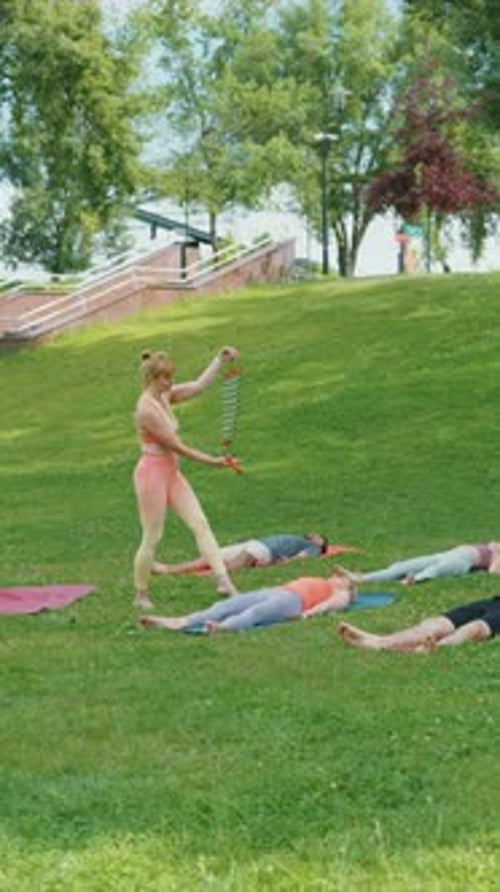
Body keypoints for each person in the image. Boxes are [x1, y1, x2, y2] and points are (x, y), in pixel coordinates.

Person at [133, 346, 241, 609]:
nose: (170, 383)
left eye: (171, 377)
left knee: (200, 523)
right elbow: (177, 447)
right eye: (165, 378)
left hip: (171, 472)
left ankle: (224, 581)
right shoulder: (146, 410)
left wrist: (219, 359)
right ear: (152, 379)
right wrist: (214, 461)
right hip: (151, 475)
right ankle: (141, 594)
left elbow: (198, 386)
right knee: (152, 536)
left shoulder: (164, 395)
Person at [139, 572, 356, 634]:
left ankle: (224, 627)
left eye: (342, 577)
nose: (336, 575)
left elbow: (327, 606)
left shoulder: (341, 593)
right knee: (225, 606)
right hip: (276, 591)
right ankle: (182, 621)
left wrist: (307, 615)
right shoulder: (323, 580)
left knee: (257, 612)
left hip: (294, 602)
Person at [338, 595, 500, 652]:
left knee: (474, 628)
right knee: (436, 624)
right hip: (494, 602)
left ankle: (433, 647)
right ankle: (379, 641)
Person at [152, 532, 329, 575]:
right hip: (255, 543)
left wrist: (279, 563)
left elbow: (302, 558)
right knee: (209, 558)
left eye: (317, 536)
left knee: (235, 563)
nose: (313, 534)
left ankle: (221, 579)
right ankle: (168, 569)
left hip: (265, 550)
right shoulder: (298, 538)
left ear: (320, 541)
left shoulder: (313, 547)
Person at [336, 541, 500, 586]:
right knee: (399, 567)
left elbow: (493, 572)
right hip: (445, 554)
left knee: (434, 570)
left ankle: (414, 580)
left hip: (462, 562)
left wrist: (496, 555)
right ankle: (360, 578)